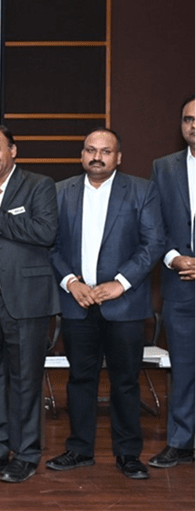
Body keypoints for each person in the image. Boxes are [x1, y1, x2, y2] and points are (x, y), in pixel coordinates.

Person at [46, 128, 164, 479]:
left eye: (105, 151)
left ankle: (128, 454)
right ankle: (79, 449)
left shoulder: (142, 190)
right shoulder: (60, 192)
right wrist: (71, 282)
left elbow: (153, 243)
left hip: (124, 304)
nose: (97, 157)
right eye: (90, 150)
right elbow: (49, 245)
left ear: (118, 157)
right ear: (82, 154)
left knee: (125, 381)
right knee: (79, 379)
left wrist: (120, 283)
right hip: (78, 302)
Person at [0, 124, 59, 483]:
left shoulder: (38, 186)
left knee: (25, 380)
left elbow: (45, 233)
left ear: (13, 150)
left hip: (26, 301)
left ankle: (27, 453)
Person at [148, 95, 196, 468]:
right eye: (188, 119)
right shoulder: (163, 167)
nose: (194, 125)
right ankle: (180, 442)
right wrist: (173, 257)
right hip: (180, 282)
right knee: (183, 367)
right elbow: (154, 226)